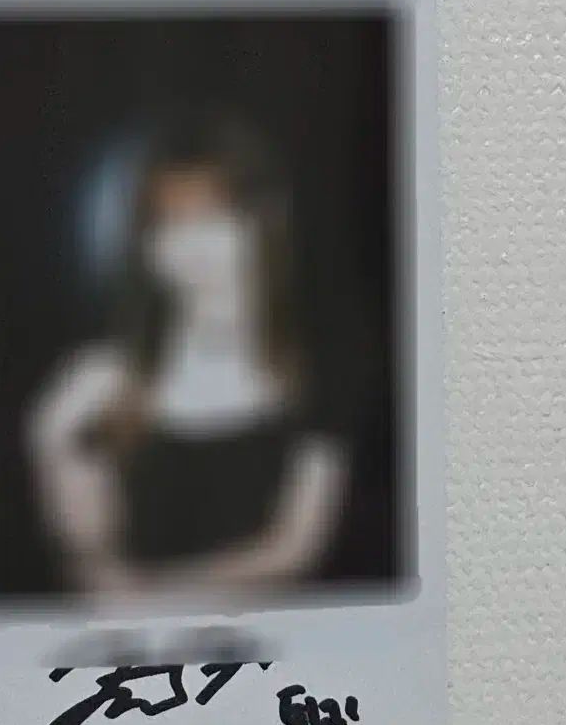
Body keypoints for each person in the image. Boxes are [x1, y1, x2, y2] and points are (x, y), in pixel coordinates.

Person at [25, 110, 347, 602]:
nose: (195, 252)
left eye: (216, 221)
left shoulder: (319, 371)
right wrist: (50, 445)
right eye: (172, 228)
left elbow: (294, 553)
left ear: (266, 225)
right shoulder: (107, 382)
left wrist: (151, 600)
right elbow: (90, 568)